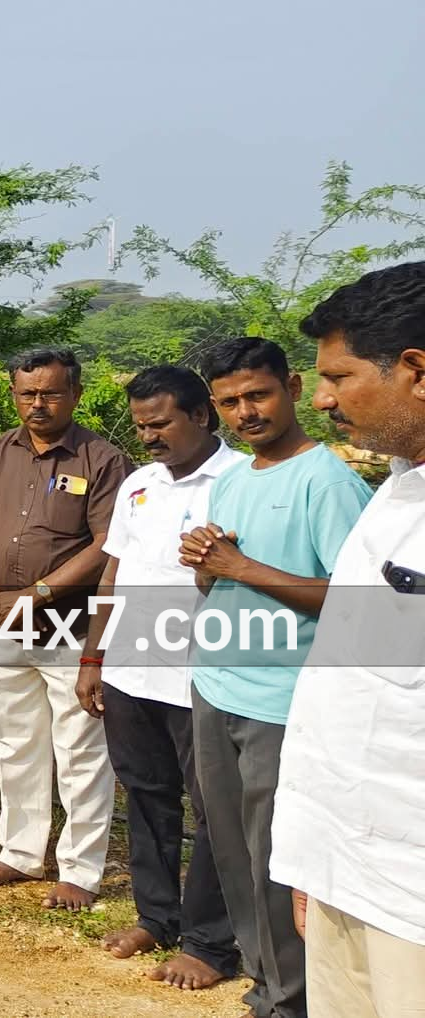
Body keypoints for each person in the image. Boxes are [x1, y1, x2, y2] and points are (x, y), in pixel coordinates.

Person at [180, 337, 371, 1018]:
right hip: (217, 684)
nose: (246, 412)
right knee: (231, 849)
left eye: (257, 394)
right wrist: (205, 563)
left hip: (283, 700)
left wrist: (239, 567)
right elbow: (218, 580)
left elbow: (355, 599)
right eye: (230, 402)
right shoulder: (234, 479)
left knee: (277, 858)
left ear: (290, 387)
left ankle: (293, 999)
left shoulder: (328, 481)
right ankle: (265, 982)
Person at [270, 262, 425, 1016]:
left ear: (416, 371)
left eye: (339, 376)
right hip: (348, 864)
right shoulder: (395, 489)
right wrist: (315, 857)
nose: (322, 397)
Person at [75, 365, 245, 991]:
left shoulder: (239, 481)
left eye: (161, 423)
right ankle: (156, 916)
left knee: (214, 809)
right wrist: (94, 658)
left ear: (200, 415)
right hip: (131, 673)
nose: (148, 436)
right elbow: (113, 574)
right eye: (141, 425)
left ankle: (210, 942)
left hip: (204, 679)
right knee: (146, 797)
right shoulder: (138, 485)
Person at [0, 346, 129, 911]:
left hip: (70, 628)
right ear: (14, 395)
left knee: (80, 752)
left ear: (75, 394)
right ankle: (20, 853)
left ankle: (80, 870)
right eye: (27, 393)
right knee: (13, 743)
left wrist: (37, 593)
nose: (38, 404)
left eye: (51, 393)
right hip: (1, 626)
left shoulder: (101, 460)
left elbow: (108, 545)